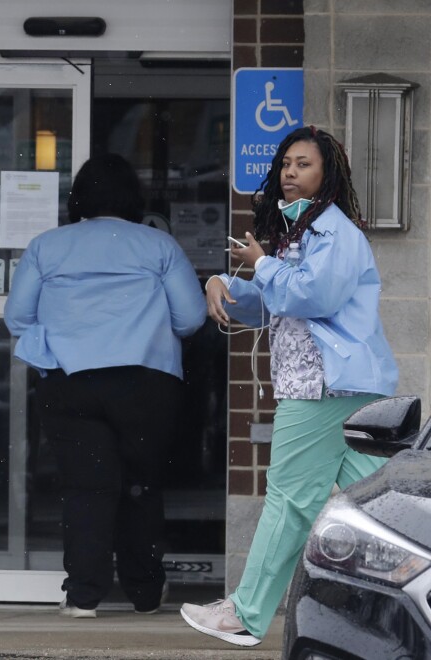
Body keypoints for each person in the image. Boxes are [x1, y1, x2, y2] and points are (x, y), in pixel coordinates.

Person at [180, 126, 398, 646]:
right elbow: (273, 300)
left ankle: (246, 614)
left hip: (320, 385)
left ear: (328, 176)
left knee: (288, 499)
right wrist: (224, 283)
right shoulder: (301, 233)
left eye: (303, 165)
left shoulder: (334, 232)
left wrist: (263, 264)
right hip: (333, 385)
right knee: (388, 498)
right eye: (286, 165)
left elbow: (313, 295)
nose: (291, 174)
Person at [4, 153, 206, 617]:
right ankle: (145, 591)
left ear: (79, 198)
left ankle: (82, 596)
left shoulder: (46, 246)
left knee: (85, 488)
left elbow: (17, 317)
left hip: (70, 381)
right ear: (134, 198)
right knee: (140, 485)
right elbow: (192, 319)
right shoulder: (158, 246)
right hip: (146, 380)